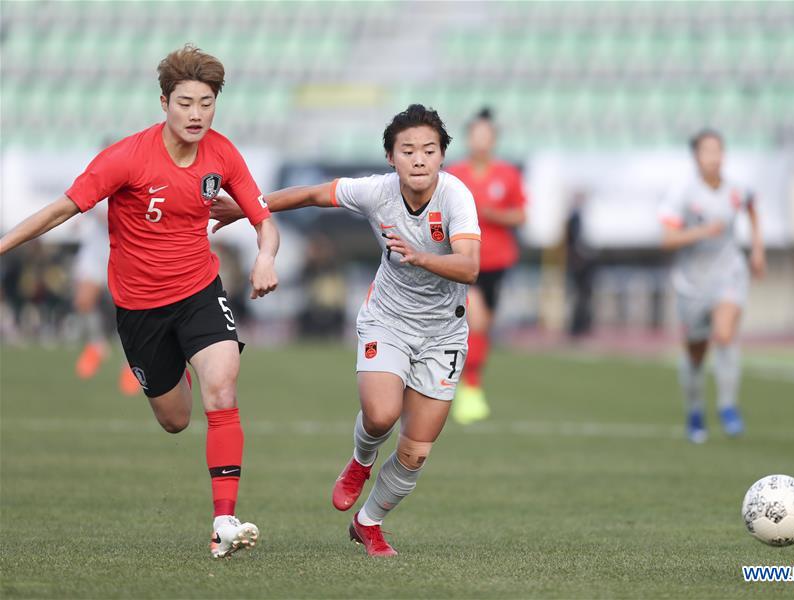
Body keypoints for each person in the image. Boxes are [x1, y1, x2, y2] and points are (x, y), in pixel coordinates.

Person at [0, 44, 280, 557]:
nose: (196, 114)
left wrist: (265, 257)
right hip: (139, 308)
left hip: (200, 290)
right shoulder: (126, 157)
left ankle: (223, 522)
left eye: (206, 103)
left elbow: (265, 220)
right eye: (185, 103)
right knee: (175, 419)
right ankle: (181, 364)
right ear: (163, 102)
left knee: (223, 387)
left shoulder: (224, 154)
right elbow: (61, 209)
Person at [212, 104, 480, 557]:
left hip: (444, 334)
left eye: (429, 151)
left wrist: (419, 256)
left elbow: (469, 267)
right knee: (380, 416)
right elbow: (314, 195)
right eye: (408, 150)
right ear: (391, 157)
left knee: (416, 452)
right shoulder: (376, 192)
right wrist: (248, 210)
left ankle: (368, 522)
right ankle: (360, 460)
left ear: (442, 157)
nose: (419, 159)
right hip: (388, 319)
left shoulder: (456, 197)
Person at [659, 129, 765, 443]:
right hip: (692, 282)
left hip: (729, 273)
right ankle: (694, 412)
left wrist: (757, 249)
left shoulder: (737, 189)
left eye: (718, 150)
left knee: (725, 334)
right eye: (707, 151)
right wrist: (702, 232)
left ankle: (728, 407)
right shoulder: (683, 193)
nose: (713, 157)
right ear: (696, 157)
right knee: (695, 352)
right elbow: (667, 239)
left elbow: (752, 207)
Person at [445, 108, 526, 424]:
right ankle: (470, 388)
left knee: (483, 327)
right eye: (475, 135)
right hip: (465, 260)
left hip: (497, 260)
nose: (480, 141)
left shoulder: (507, 174)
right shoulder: (453, 174)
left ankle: (469, 381)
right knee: (474, 320)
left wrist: (494, 214)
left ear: (493, 140)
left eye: (486, 136)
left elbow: (521, 215)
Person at [71, 174, 142, 395]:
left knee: (125, 313)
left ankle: (131, 366)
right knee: (83, 301)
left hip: (124, 253)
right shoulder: (98, 178)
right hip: (97, 250)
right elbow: (81, 202)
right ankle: (97, 345)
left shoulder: (137, 183)